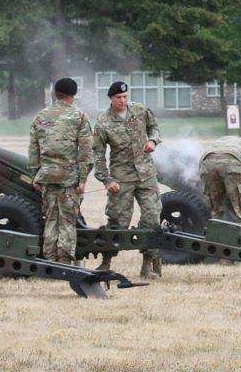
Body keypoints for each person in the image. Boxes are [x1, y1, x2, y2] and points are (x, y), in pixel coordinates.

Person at [93, 81, 163, 278]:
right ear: (111, 99)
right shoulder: (103, 122)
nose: (122, 101)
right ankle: (106, 263)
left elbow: (155, 128)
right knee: (117, 220)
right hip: (121, 178)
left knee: (152, 218)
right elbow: (97, 155)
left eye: (125, 97)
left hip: (146, 174)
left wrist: (152, 141)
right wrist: (107, 180)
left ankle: (148, 264)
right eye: (118, 98)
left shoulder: (140, 111)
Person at [28, 78, 93, 264]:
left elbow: (33, 150)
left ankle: (49, 260)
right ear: (73, 95)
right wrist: (82, 180)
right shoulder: (79, 116)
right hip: (69, 178)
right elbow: (86, 151)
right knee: (67, 221)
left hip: (47, 177)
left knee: (50, 219)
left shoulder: (40, 116)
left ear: (56, 93)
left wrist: (35, 176)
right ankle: (64, 262)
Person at [198, 134, 241, 246]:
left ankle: (218, 244)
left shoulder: (223, 140)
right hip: (233, 163)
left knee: (217, 209)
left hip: (206, 163)